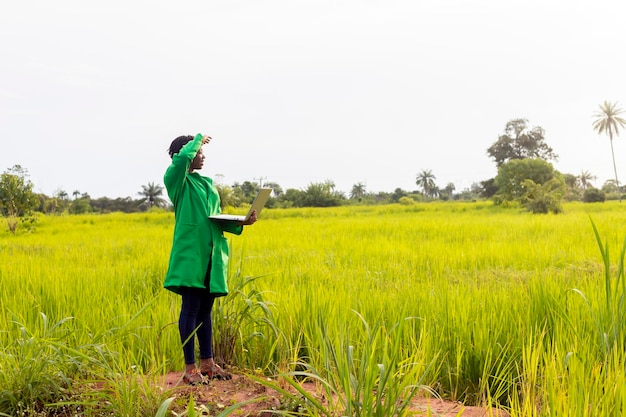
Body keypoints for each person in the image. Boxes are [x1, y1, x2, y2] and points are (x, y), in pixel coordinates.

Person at [163, 133, 257, 385]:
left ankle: (208, 363)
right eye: (199, 153)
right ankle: (189, 368)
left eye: (203, 152)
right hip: (191, 256)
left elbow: (214, 219)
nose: (203, 156)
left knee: (206, 311)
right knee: (190, 308)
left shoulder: (206, 185)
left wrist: (242, 222)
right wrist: (197, 139)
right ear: (186, 154)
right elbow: (182, 159)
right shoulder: (177, 181)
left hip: (212, 256)